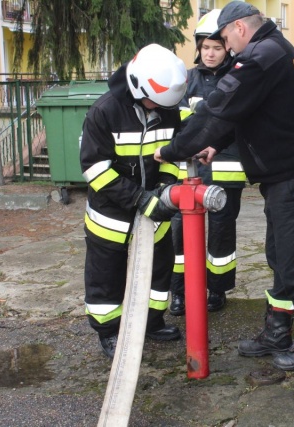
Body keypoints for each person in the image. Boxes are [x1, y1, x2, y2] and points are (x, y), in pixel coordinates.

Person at [154, 1, 294, 372]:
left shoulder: (258, 58)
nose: (225, 46)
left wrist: (172, 150)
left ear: (239, 28)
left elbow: (219, 108)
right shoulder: (273, 49)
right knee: (282, 256)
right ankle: (278, 331)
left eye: (224, 38)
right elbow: (249, 112)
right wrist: (216, 144)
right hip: (285, 176)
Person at [80, 44, 186, 359]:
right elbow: (95, 170)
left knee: (159, 269)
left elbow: (171, 156)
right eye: (156, 102)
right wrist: (140, 198)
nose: (160, 109)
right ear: (138, 87)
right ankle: (109, 331)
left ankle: (151, 321)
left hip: (155, 209)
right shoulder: (104, 112)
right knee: (106, 276)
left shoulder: (167, 107)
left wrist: (164, 188)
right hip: (110, 216)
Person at [169, 9, 246, 316]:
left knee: (221, 230)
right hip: (188, 169)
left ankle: (217, 289)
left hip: (226, 169)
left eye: (216, 47)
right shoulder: (186, 81)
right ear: (198, 48)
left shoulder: (238, 79)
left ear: (227, 47)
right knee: (179, 231)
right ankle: (179, 291)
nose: (210, 53)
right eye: (205, 47)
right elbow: (177, 122)